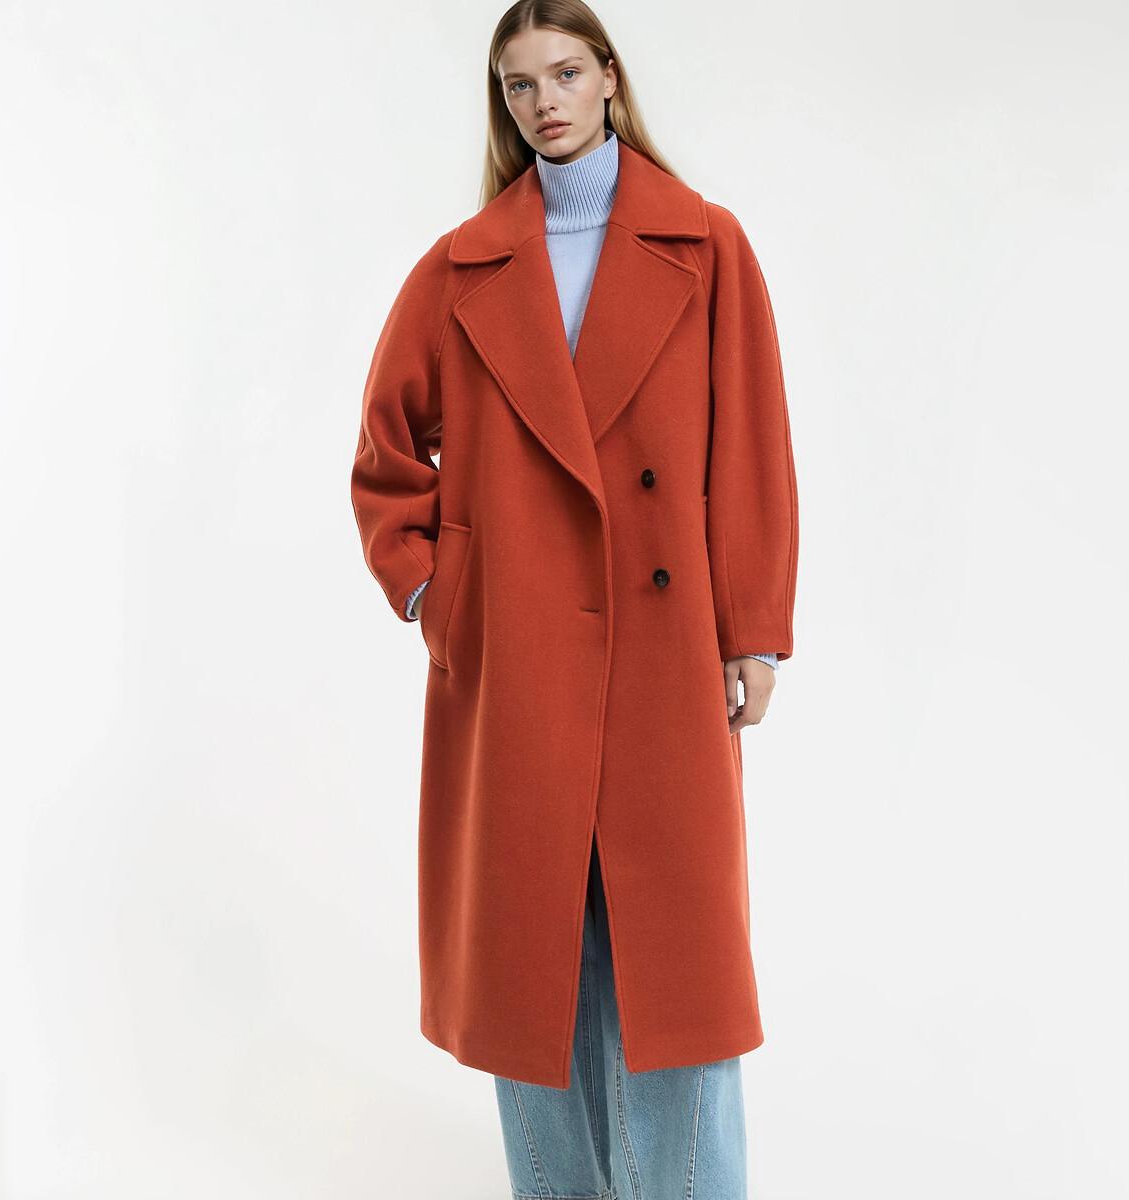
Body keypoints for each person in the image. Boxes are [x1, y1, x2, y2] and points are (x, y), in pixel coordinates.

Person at [349, 3, 798, 1196]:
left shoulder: (706, 245)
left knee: (676, 978)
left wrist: (752, 630)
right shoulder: (462, 267)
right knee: (533, 969)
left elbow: (751, 446)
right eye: (518, 84)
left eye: (563, 73)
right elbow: (386, 453)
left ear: (608, 77)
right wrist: (438, 595)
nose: (543, 101)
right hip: (517, 662)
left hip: (666, 650)